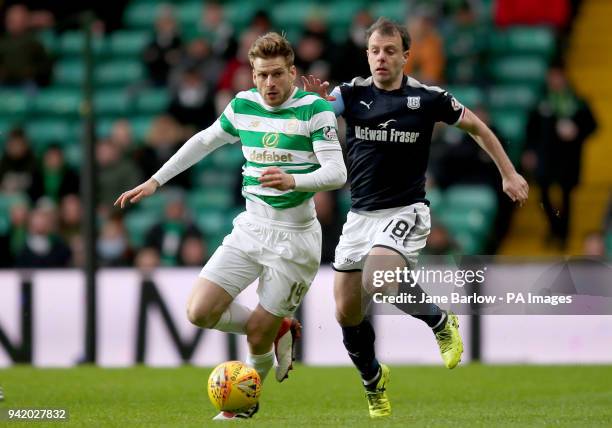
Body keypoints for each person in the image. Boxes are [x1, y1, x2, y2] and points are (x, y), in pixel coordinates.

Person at [303, 17, 528, 418]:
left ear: (406, 56)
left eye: (390, 51)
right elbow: (317, 113)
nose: (381, 58)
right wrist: (311, 106)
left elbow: (478, 128)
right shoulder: (350, 94)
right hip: (360, 216)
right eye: (375, 50)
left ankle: (440, 322)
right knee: (345, 312)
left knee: (381, 278)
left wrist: (508, 172)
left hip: (405, 211)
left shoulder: (428, 98)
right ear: (366, 54)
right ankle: (373, 380)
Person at [115, 32, 346, 420]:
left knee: (256, 332)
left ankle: (242, 406)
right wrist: (156, 180)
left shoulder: (314, 109)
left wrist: (295, 181)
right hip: (251, 228)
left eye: (276, 75)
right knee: (199, 312)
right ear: (251, 75)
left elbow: (337, 173)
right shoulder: (242, 105)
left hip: (295, 240)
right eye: (261, 75)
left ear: (292, 72)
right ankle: (279, 329)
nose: (269, 84)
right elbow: (204, 141)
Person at [525, 65, 597, 249]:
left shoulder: (578, 102)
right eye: (552, 77)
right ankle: (554, 227)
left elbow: (593, 126)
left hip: (569, 158)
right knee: (543, 193)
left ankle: (563, 234)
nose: (555, 81)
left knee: (566, 196)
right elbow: (531, 129)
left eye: (558, 76)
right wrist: (530, 151)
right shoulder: (541, 102)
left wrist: (577, 131)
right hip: (546, 156)